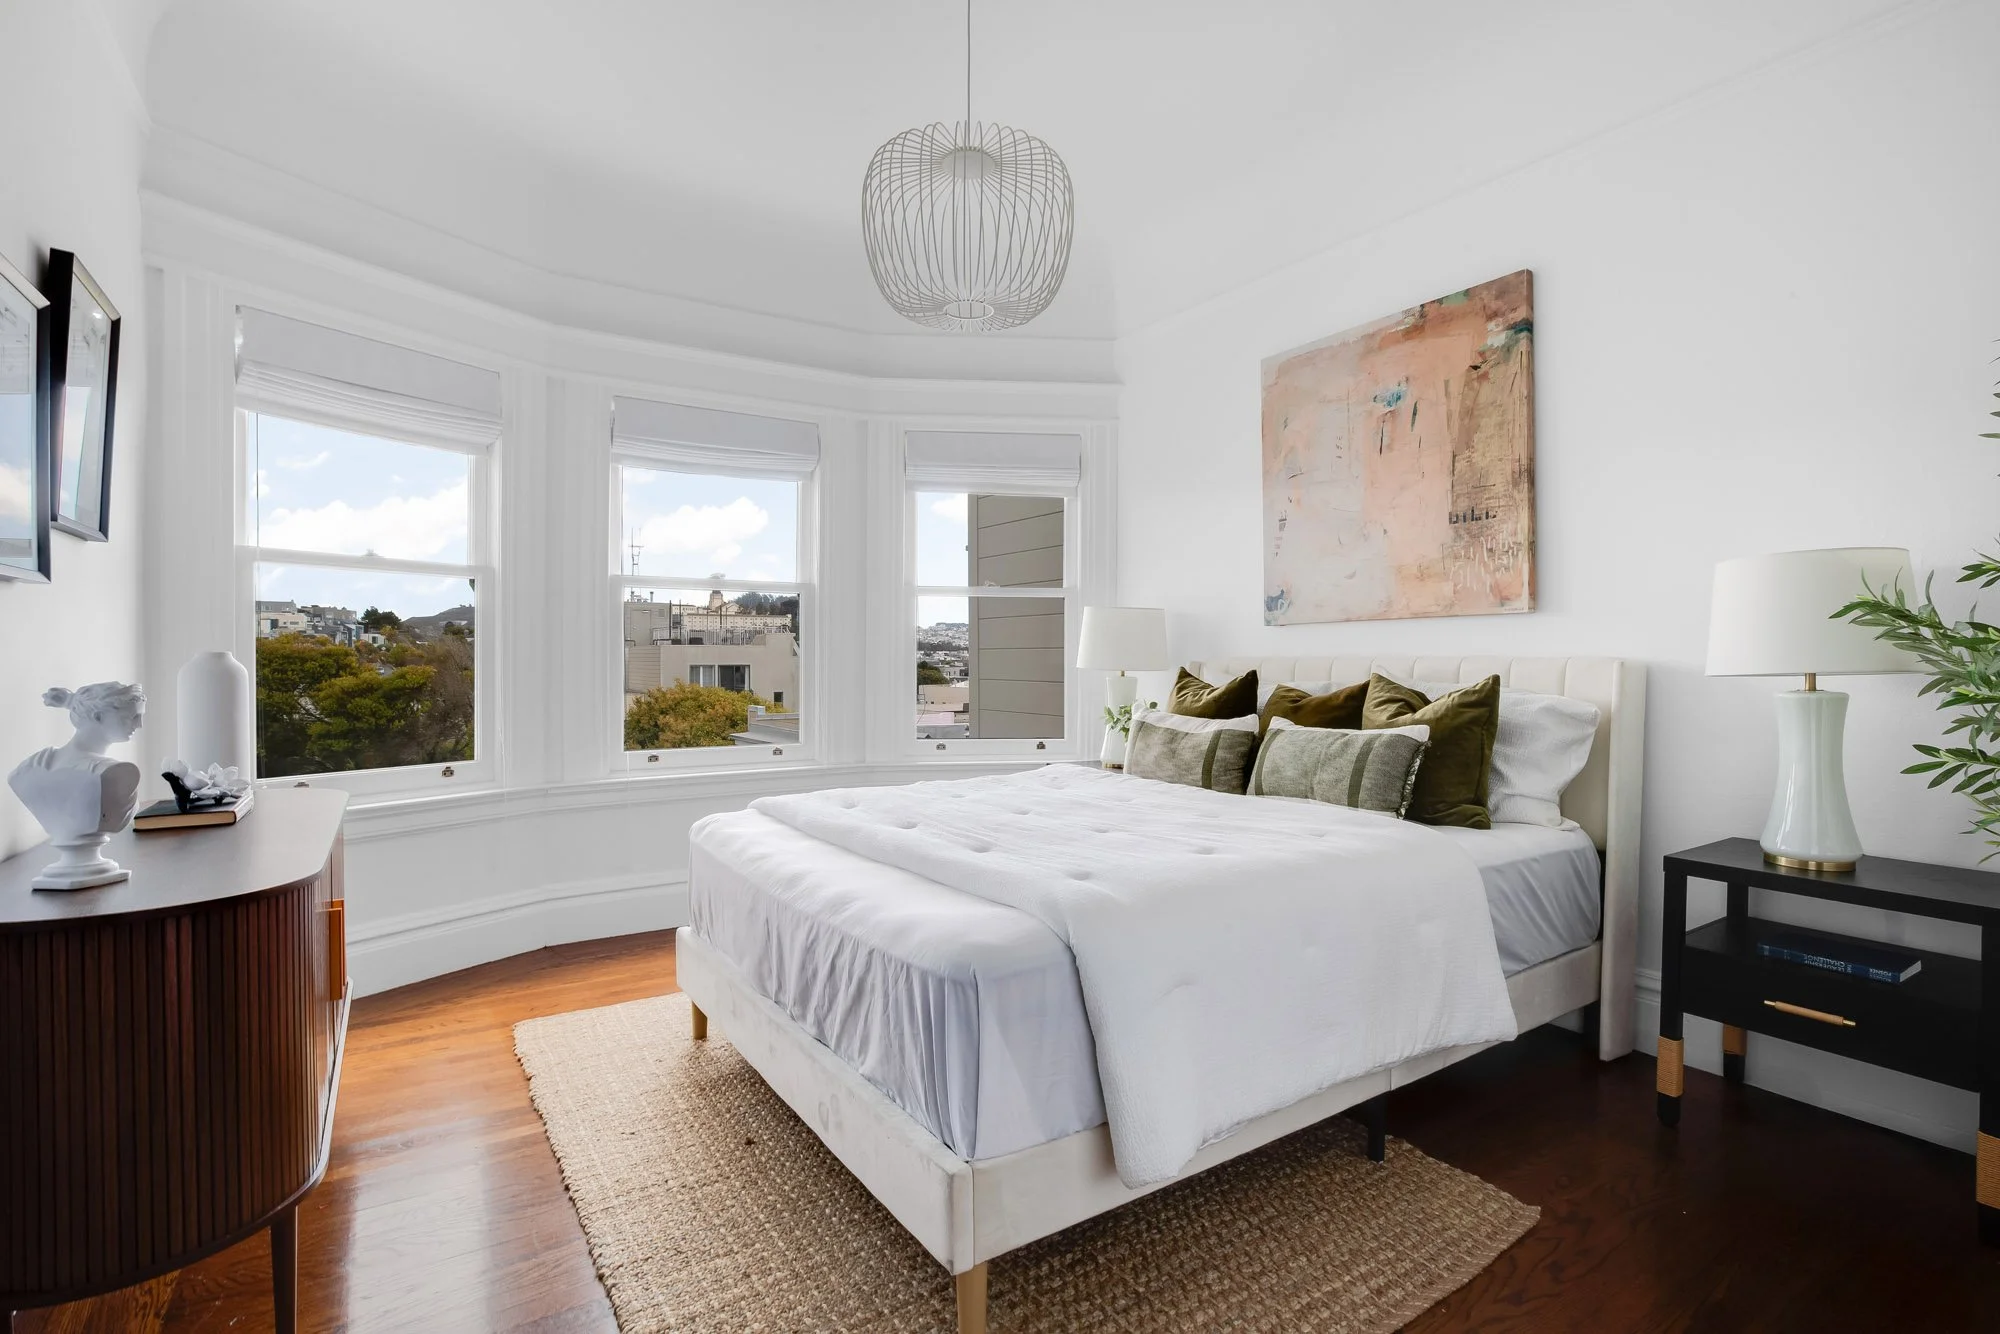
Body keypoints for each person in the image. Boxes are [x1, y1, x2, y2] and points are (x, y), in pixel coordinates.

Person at [7, 681, 146, 890]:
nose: (139, 725)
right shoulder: (119, 774)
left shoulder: (27, 769)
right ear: (98, 717)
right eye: (132, 716)